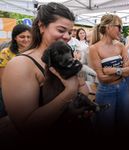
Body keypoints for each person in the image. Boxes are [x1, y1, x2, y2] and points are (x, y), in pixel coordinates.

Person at [1, 2, 79, 140]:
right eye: (61, 30)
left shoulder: (62, 58)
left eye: (70, 32)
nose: (67, 36)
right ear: (42, 26)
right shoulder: (20, 65)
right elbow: (27, 127)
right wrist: (69, 92)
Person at [89, 14, 129, 136]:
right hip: (105, 91)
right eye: (119, 26)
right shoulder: (94, 48)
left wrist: (114, 70)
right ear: (108, 27)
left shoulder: (120, 45)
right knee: (106, 127)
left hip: (123, 88)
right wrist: (122, 71)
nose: (120, 30)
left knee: (125, 124)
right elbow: (102, 78)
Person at [0, 24, 31, 117]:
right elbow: (2, 78)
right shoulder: (6, 53)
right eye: (22, 37)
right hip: (9, 92)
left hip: (28, 92)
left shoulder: (34, 52)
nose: (26, 39)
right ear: (15, 38)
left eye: (29, 37)